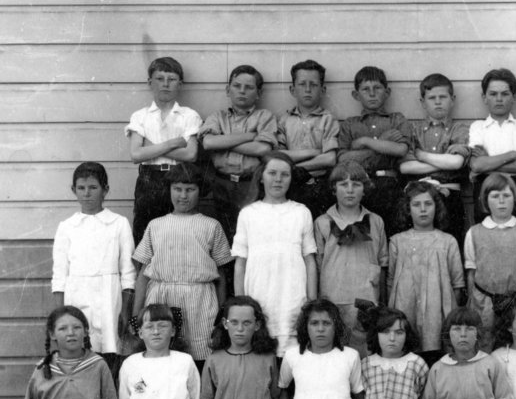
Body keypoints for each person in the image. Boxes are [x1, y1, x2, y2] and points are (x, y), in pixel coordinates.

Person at [132, 163, 232, 364]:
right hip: (162, 298)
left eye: (190, 190)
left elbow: (220, 274)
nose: (183, 196)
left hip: (201, 301)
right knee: (162, 356)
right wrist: (136, 315)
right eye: (177, 189)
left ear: (200, 192)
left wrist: (221, 314)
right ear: (169, 190)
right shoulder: (156, 225)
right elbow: (143, 273)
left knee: (200, 355)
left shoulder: (211, 225)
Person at [232, 151, 318, 357]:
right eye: (272, 173)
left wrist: (312, 302)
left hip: (292, 296)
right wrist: (241, 303)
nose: (278, 179)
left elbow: (310, 261)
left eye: (284, 174)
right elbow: (240, 264)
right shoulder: (248, 213)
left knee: (292, 354)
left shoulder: (301, 212)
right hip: (259, 294)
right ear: (261, 176)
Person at [52, 162, 135, 373]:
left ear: (105, 190)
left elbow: (127, 272)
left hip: (110, 298)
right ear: (74, 190)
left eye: (93, 188)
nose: (87, 194)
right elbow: (60, 275)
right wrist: (60, 314)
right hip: (77, 296)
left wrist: (124, 311)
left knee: (109, 354)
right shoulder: (67, 227)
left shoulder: (119, 223)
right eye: (81, 188)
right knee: (79, 352)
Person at [313, 161, 388, 355]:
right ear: (333, 189)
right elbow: (318, 264)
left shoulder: (375, 221)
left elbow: (382, 261)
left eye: (356, 184)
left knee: (363, 352)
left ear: (365, 189)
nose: (350, 190)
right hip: (333, 297)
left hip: (365, 298)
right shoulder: (323, 223)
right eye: (343, 185)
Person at [388, 180, 465, 365]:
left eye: (428, 204)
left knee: (436, 360)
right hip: (406, 309)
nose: (423, 209)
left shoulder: (447, 241)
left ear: (436, 207)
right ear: (408, 209)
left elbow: (457, 285)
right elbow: (390, 282)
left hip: (437, 316)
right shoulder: (398, 242)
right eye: (416, 204)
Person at [125, 56, 200, 244]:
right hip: (149, 179)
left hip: (179, 179)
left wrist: (151, 147)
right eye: (159, 79)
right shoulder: (140, 116)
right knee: (145, 234)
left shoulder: (189, 116)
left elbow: (190, 154)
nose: (165, 84)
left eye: (172, 79)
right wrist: (172, 143)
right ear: (150, 82)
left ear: (180, 84)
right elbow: (136, 154)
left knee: (178, 234)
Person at [198, 64, 278, 240]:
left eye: (249, 87)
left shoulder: (264, 117)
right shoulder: (217, 117)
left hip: (251, 185)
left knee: (251, 234)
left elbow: (262, 148)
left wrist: (224, 140)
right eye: (237, 86)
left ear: (259, 93)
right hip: (221, 183)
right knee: (224, 236)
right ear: (228, 90)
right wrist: (250, 136)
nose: (242, 91)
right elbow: (209, 142)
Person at [464, 173, 516, 351]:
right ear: (485, 200)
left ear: (515, 199)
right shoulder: (474, 233)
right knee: (485, 348)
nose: (501, 201)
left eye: (506, 196)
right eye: (495, 196)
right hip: (484, 305)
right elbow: (471, 273)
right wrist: (473, 305)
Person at [338, 65, 413, 237]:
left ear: (387, 92)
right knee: (364, 238)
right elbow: (343, 160)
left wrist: (365, 142)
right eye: (366, 89)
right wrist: (383, 144)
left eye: (377, 88)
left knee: (391, 235)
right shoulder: (350, 124)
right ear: (356, 95)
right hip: (359, 188)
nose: (372, 93)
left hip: (390, 186)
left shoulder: (397, 119)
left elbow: (401, 150)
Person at [399, 73, 471, 244]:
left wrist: (422, 156)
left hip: (449, 195)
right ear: (423, 102)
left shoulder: (458, 129)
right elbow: (406, 167)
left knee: (451, 242)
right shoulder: (413, 130)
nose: (438, 102)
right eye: (432, 98)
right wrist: (443, 162)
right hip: (418, 196)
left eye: (443, 97)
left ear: (452, 99)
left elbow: (456, 162)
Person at [468, 67, 516, 224]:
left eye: (505, 94)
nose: (499, 99)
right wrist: (512, 155)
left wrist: (489, 163)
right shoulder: (478, 127)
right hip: (485, 190)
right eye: (493, 94)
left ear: (514, 97)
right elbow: (477, 165)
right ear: (484, 97)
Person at [277, 59, 340, 219]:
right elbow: (279, 156)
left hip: (320, 185)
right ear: (292, 89)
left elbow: (330, 158)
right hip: (291, 185)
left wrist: (295, 167)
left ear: (323, 89)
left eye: (313, 85)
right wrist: (315, 152)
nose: (307, 89)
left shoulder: (328, 119)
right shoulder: (284, 120)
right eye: (302, 84)